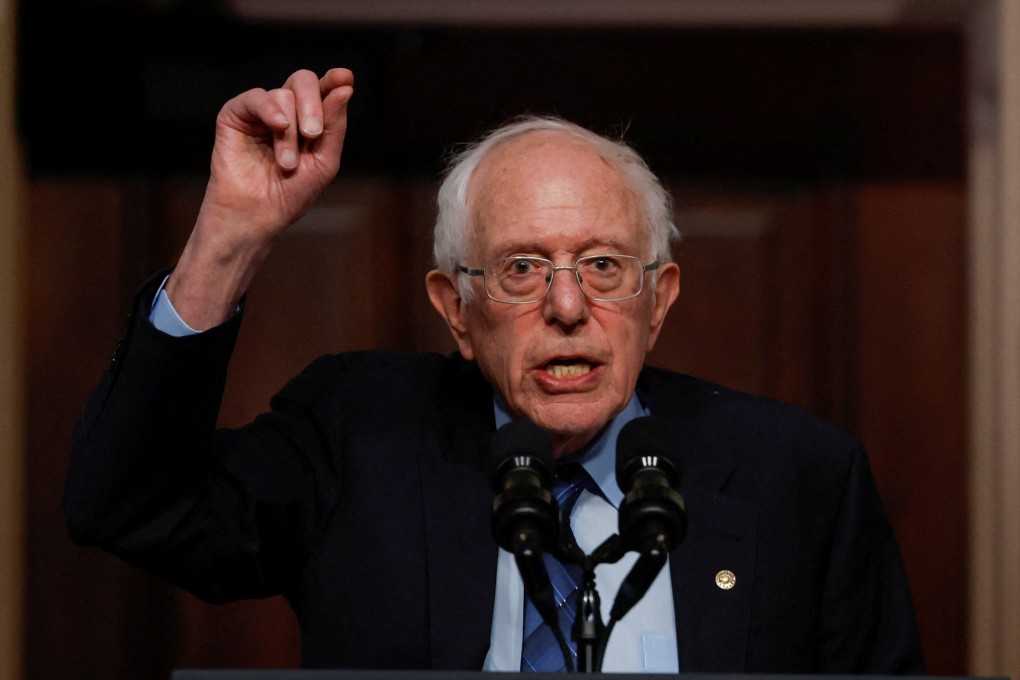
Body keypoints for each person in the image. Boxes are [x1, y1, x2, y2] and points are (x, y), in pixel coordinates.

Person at [64, 68, 925, 674]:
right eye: (520, 269)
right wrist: (229, 237)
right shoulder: (360, 436)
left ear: (658, 301)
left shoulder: (797, 477)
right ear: (454, 309)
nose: (566, 306)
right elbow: (131, 505)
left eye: (602, 265)